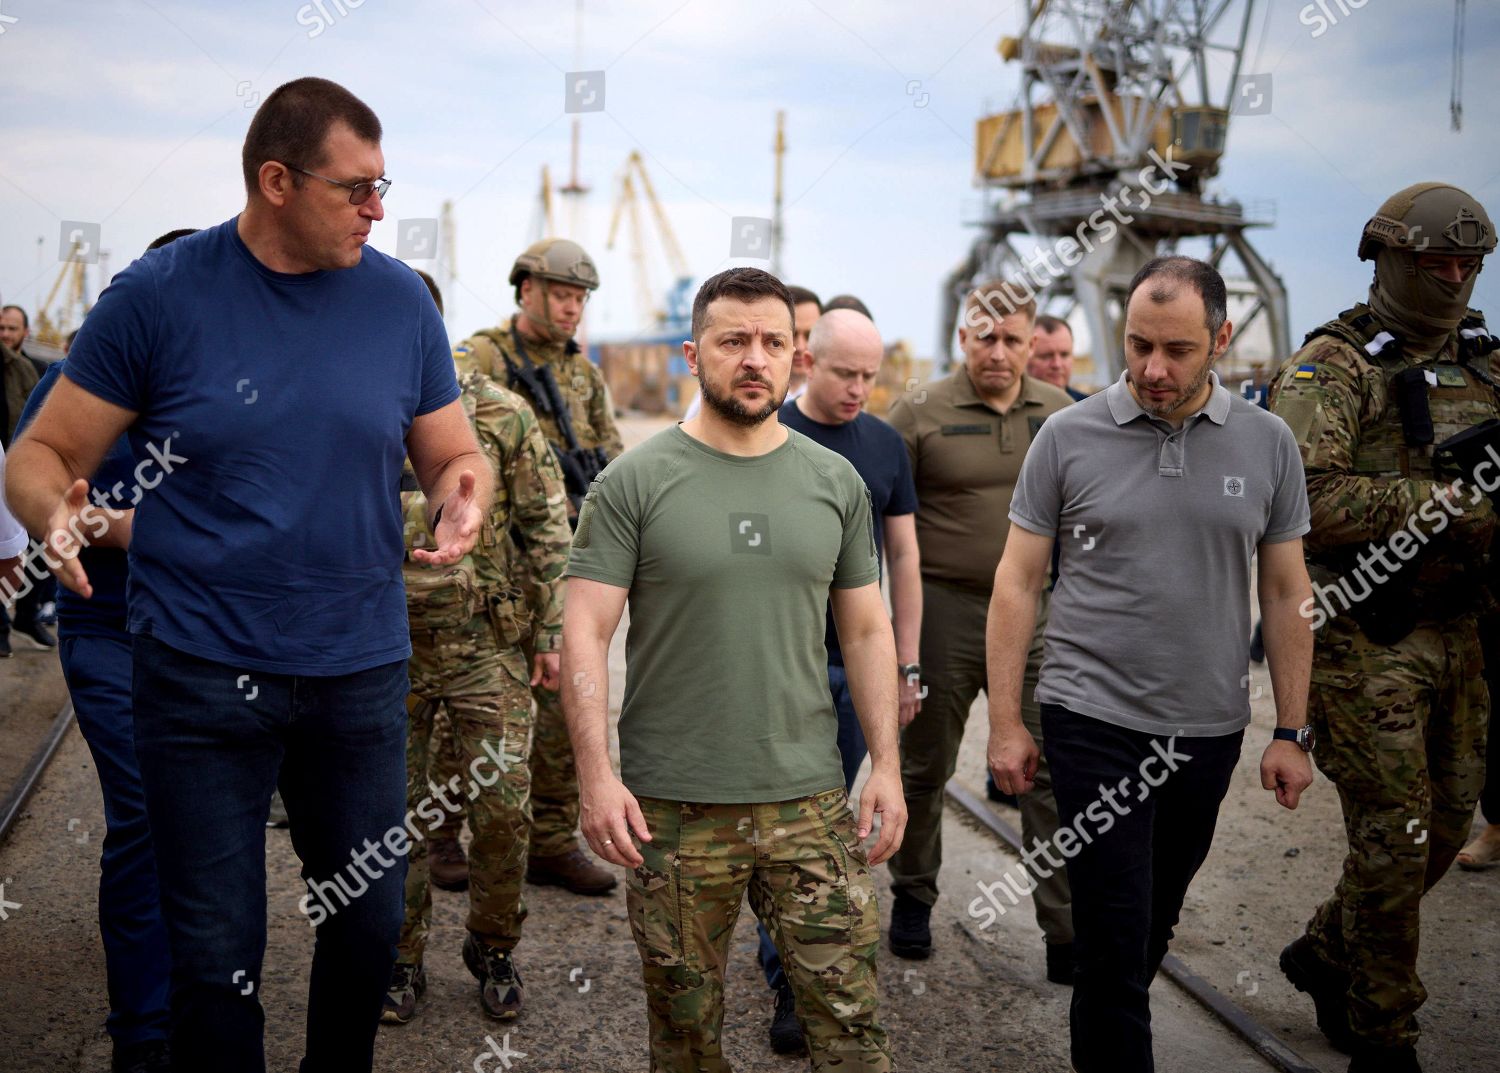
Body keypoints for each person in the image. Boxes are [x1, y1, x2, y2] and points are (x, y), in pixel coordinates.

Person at [6, 78, 491, 1073]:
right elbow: (38, 453)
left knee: (368, 926)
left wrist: (462, 492)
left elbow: (452, 452)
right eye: (355, 187)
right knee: (217, 955)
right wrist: (54, 514)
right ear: (276, 181)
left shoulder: (399, 301)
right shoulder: (160, 296)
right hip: (196, 674)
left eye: (383, 184)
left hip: (356, 670)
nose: (378, 208)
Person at [562, 267, 904, 1072]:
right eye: (733, 341)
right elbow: (583, 629)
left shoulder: (836, 483)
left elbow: (864, 627)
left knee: (851, 1029)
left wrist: (886, 764)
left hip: (810, 802)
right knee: (685, 1037)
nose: (755, 358)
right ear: (693, 353)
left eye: (773, 342)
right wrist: (594, 776)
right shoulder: (633, 483)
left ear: (799, 358)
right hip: (673, 814)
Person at [988, 255, 1315, 1073]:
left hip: (1207, 728)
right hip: (1090, 716)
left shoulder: (1268, 442)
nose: (1152, 369)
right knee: (1110, 926)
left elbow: (1284, 590)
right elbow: (1017, 581)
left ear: (1222, 340)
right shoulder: (1068, 434)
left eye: (1175, 350)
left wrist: (1292, 729)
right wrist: (1003, 724)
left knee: (1151, 922)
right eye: (1137, 346)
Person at [1268, 183, 1498, 1073]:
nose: (1452, 279)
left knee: (1445, 823)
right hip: (1364, 629)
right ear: (1392, 260)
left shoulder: (1485, 361)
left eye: (1467, 265)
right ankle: (1383, 1031)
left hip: (1462, 628)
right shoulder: (1336, 366)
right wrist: (1444, 503)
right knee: (1395, 835)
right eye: (1435, 262)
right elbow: (1303, 499)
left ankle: (1327, 951)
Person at [9, 231, 196, 1073]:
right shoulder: (82, 373)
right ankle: (145, 1033)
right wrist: (113, 526)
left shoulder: (231, 375)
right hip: (109, 623)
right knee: (148, 818)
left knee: (204, 823)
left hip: (213, 636)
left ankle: (210, 996)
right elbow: (35, 482)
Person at [884, 280, 1076, 983]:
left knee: (1049, 769)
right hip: (944, 610)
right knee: (924, 761)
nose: (998, 352)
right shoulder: (919, 410)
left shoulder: (1061, 415)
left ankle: (1065, 930)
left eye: (1013, 339)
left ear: (1033, 343)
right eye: (984, 337)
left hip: (1037, 615)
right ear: (963, 337)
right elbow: (882, 518)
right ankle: (912, 898)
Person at [384, 347, 572, 1024]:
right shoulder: (354, 400)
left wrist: (550, 629)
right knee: (388, 817)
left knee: (502, 807)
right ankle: (399, 957)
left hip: (482, 644)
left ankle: (492, 944)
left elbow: (547, 521)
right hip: (382, 647)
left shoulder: (501, 411)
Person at [756, 307, 921, 1053]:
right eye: (844, 372)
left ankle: (828, 966)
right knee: (773, 828)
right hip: (777, 667)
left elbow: (904, 561)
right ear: (806, 360)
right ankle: (787, 981)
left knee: (842, 827)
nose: (858, 388)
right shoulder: (767, 435)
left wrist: (905, 661)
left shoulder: (884, 447)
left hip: (857, 664)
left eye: (869, 376)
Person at [449, 238, 623, 898]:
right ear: (526, 289)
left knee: (562, 702)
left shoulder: (585, 374)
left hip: (560, 566)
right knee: (461, 709)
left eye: (581, 298)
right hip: (486, 567)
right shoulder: (480, 356)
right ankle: (443, 838)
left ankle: (550, 840)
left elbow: (609, 457)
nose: (573, 309)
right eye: (562, 294)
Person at [683, 283, 821, 419]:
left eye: (774, 343)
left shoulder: (827, 403)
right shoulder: (713, 402)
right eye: (734, 342)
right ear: (694, 356)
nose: (801, 347)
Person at [2, 303, 53, 655]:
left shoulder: (35, 370)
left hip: (23, 472)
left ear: (25, 332)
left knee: (36, 546)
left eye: (12, 328)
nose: (5, 334)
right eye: (1, 328)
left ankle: (26, 615)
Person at [1028, 314, 1087, 401]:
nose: (1057, 364)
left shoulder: (1090, 408)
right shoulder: (1007, 410)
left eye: (1064, 355)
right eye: (1046, 356)